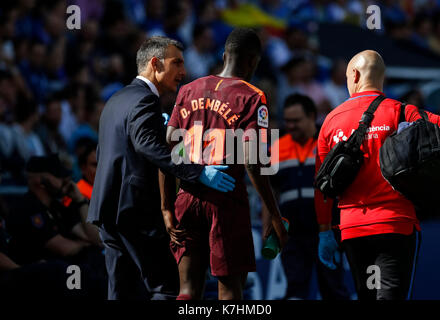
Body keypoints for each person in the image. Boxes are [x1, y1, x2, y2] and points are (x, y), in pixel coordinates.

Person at [87, 36, 236, 300]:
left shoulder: (116, 100)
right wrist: (198, 172)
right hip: (134, 210)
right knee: (167, 287)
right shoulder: (145, 101)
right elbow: (147, 147)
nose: (183, 71)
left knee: (121, 291)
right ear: (155, 64)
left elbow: (108, 151)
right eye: (176, 63)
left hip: (106, 208)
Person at [162, 28, 288, 300]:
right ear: (253, 61)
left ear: (224, 55)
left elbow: (168, 150)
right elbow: (254, 162)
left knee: (186, 290)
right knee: (230, 290)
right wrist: (273, 214)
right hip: (226, 200)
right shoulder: (253, 97)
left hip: (186, 196)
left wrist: (166, 206)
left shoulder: (188, 89)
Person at [315, 50, 440, 300]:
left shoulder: (330, 121)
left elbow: (322, 186)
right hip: (395, 226)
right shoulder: (402, 113)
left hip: (353, 230)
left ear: (354, 75)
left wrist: (325, 232)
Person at [264, 93, 349, 300]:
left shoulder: (329, 145)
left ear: (312, 116)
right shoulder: (275, 148)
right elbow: (269, 192)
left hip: (327, 232)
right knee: (295, 289)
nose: (290, 125)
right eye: (287, 121)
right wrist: (268, 225)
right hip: (291, 234)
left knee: (333, 288)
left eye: (296, 120)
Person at [4, 155, 106, 297]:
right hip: (39, 276)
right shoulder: (27, 208)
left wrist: (80, 201)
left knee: (101, 262)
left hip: (65, 270)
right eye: (59, 176)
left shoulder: (58, 206)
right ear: (40, 181)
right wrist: (85, 244)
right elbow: (64, 249)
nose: (67, 180)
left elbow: (95, 238)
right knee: (81, 271)